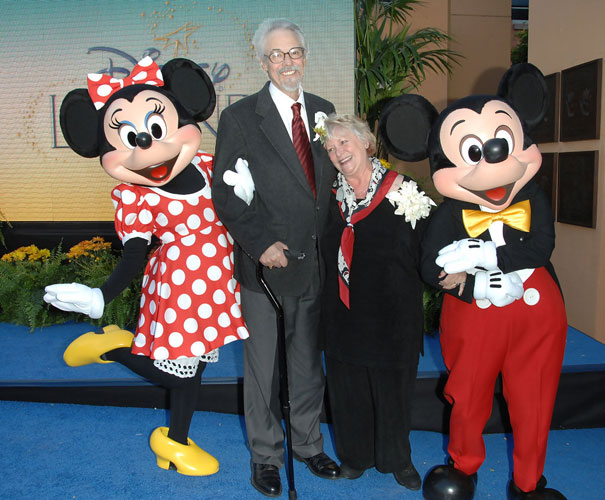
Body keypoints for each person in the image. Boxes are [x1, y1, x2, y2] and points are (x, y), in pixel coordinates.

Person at [43, 57, 249, 476]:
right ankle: (113, 348)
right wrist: (101, 295)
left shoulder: (208, 166)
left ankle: (175, 443)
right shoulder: (136, 197)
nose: (147, 147)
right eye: (131, 137)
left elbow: (233, 214)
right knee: (175, 372)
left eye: (156, 130)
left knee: (195, 368)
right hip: (178, 288)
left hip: (216, 286)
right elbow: (134, 255)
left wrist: (246, 196)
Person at [211, 18, 340, 497]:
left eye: (295, 53)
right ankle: (266, 455)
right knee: (263, 368)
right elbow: (227, 195)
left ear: (306, 56)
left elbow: (332, 184)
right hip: (265, 266)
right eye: (277, 55)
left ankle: (308, 444)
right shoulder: (241, 117)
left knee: (307, 363)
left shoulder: (325, 112)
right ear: (263, 61)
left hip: (314, 263)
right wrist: (261, 243)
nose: (288, 62)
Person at [317, 113, 434, 490]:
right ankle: (355, 456)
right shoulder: (329, 196)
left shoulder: (405, 192)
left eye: (344, 143)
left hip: (392, 315)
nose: (338, 152)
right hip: (343, 312)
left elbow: (429, 250)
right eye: (331, 148)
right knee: (347, 387)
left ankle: (397, 458)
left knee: (393, 391)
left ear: (366, 143)